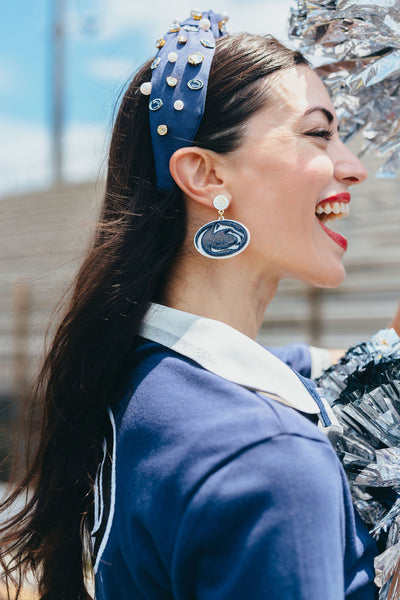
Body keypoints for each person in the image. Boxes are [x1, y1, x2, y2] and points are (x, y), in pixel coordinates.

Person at [0, 9, 380, 600]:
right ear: (203, 175)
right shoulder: (270, 460)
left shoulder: (142, 375)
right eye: (318, 132)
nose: (353, 167)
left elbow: (336, 364)